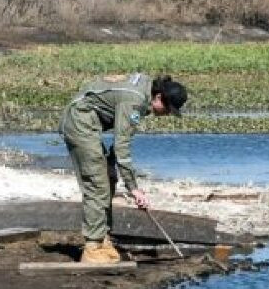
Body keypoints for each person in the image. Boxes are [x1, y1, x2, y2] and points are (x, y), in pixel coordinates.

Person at [59, 73, 187, 263]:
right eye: (168, 108)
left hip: (91, 123)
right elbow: (122, 147)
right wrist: (134, 188)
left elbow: (120, 140)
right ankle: (92, 248)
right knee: (97, 184)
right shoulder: (134, 103)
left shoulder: (144, 91)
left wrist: (111, 164)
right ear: (159, 97)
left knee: (108, 179)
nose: (167, 113)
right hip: (79, 123)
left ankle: (103, 238)